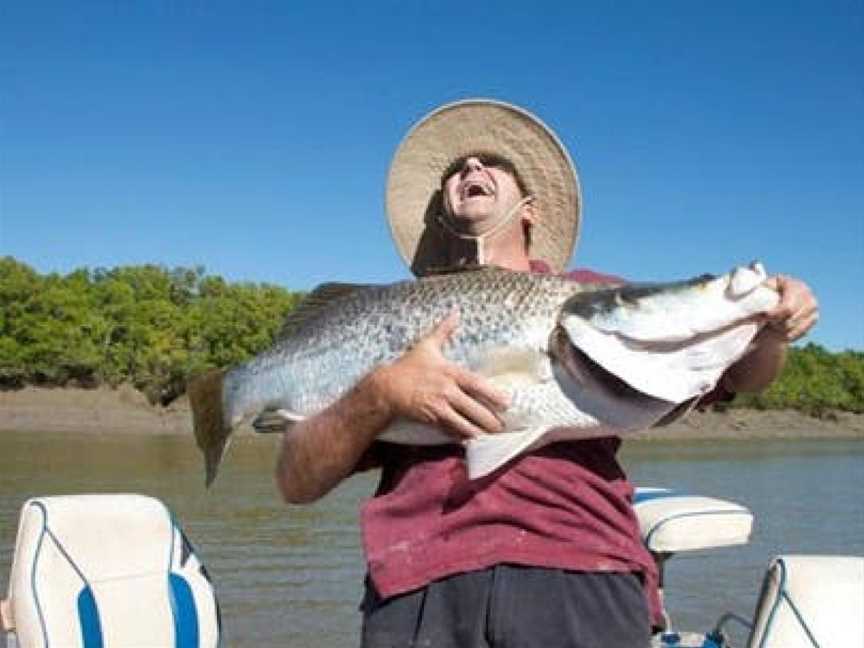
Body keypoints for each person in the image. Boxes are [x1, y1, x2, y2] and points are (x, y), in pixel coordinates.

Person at [274, 99, 819, 647]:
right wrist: (381, 392)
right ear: (441, 208)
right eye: (454, 170)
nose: (469, 170)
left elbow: (743, 376)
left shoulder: (587, 293)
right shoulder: (394, 314)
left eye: (490, 161)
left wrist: (768, 327)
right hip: (418, 584)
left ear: (529, 207)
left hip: (580, 565)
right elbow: (296, 481)